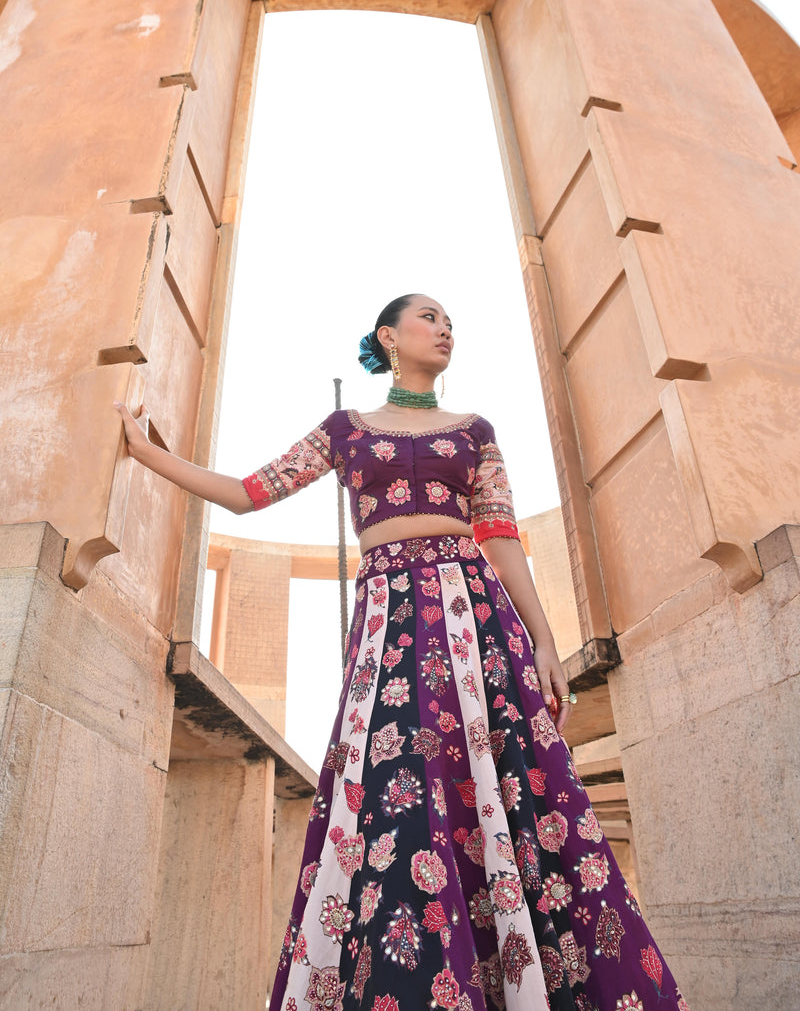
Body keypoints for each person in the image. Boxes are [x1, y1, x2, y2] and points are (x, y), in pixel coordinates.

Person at [115, 293, 689, 1011]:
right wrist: (147, 454)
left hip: (475, 622)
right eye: (430, 317)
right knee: (398, 794)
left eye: (452, 321)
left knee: (507, 787)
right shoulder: (344, 430)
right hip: (389, 629)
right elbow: (245, 493)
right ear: (388, 336)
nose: (446, 328)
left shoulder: (476, 431)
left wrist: (542, 637)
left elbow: (501, 538)